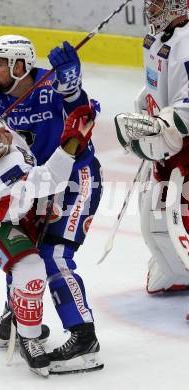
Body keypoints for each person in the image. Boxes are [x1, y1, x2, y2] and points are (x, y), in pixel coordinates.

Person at [0, 34, 103, 374]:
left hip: (72, 180)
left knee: (54, 256)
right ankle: (18, 316)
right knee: (24, 254)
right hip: (31, 188)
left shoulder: (51, 85)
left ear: (20, 66)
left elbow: (82, 115)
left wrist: (72, 89)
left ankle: (85, 339)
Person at [0, 106, 95, 376]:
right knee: (30, 268)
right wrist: (72, 141)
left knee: (26, 266)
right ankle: (30, 338)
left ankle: (13, 316)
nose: (4, 133)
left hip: (15, 208)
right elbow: (51, 179)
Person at [115, 1, 189, 305]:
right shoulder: (159, 36)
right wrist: (146, 108)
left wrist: (164, 125)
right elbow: (153, 85)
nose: (151, 8)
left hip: (185, 142)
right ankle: (177, 271)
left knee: (183, 212)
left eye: (158, 2)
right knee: (157, 210)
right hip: (169, 144)